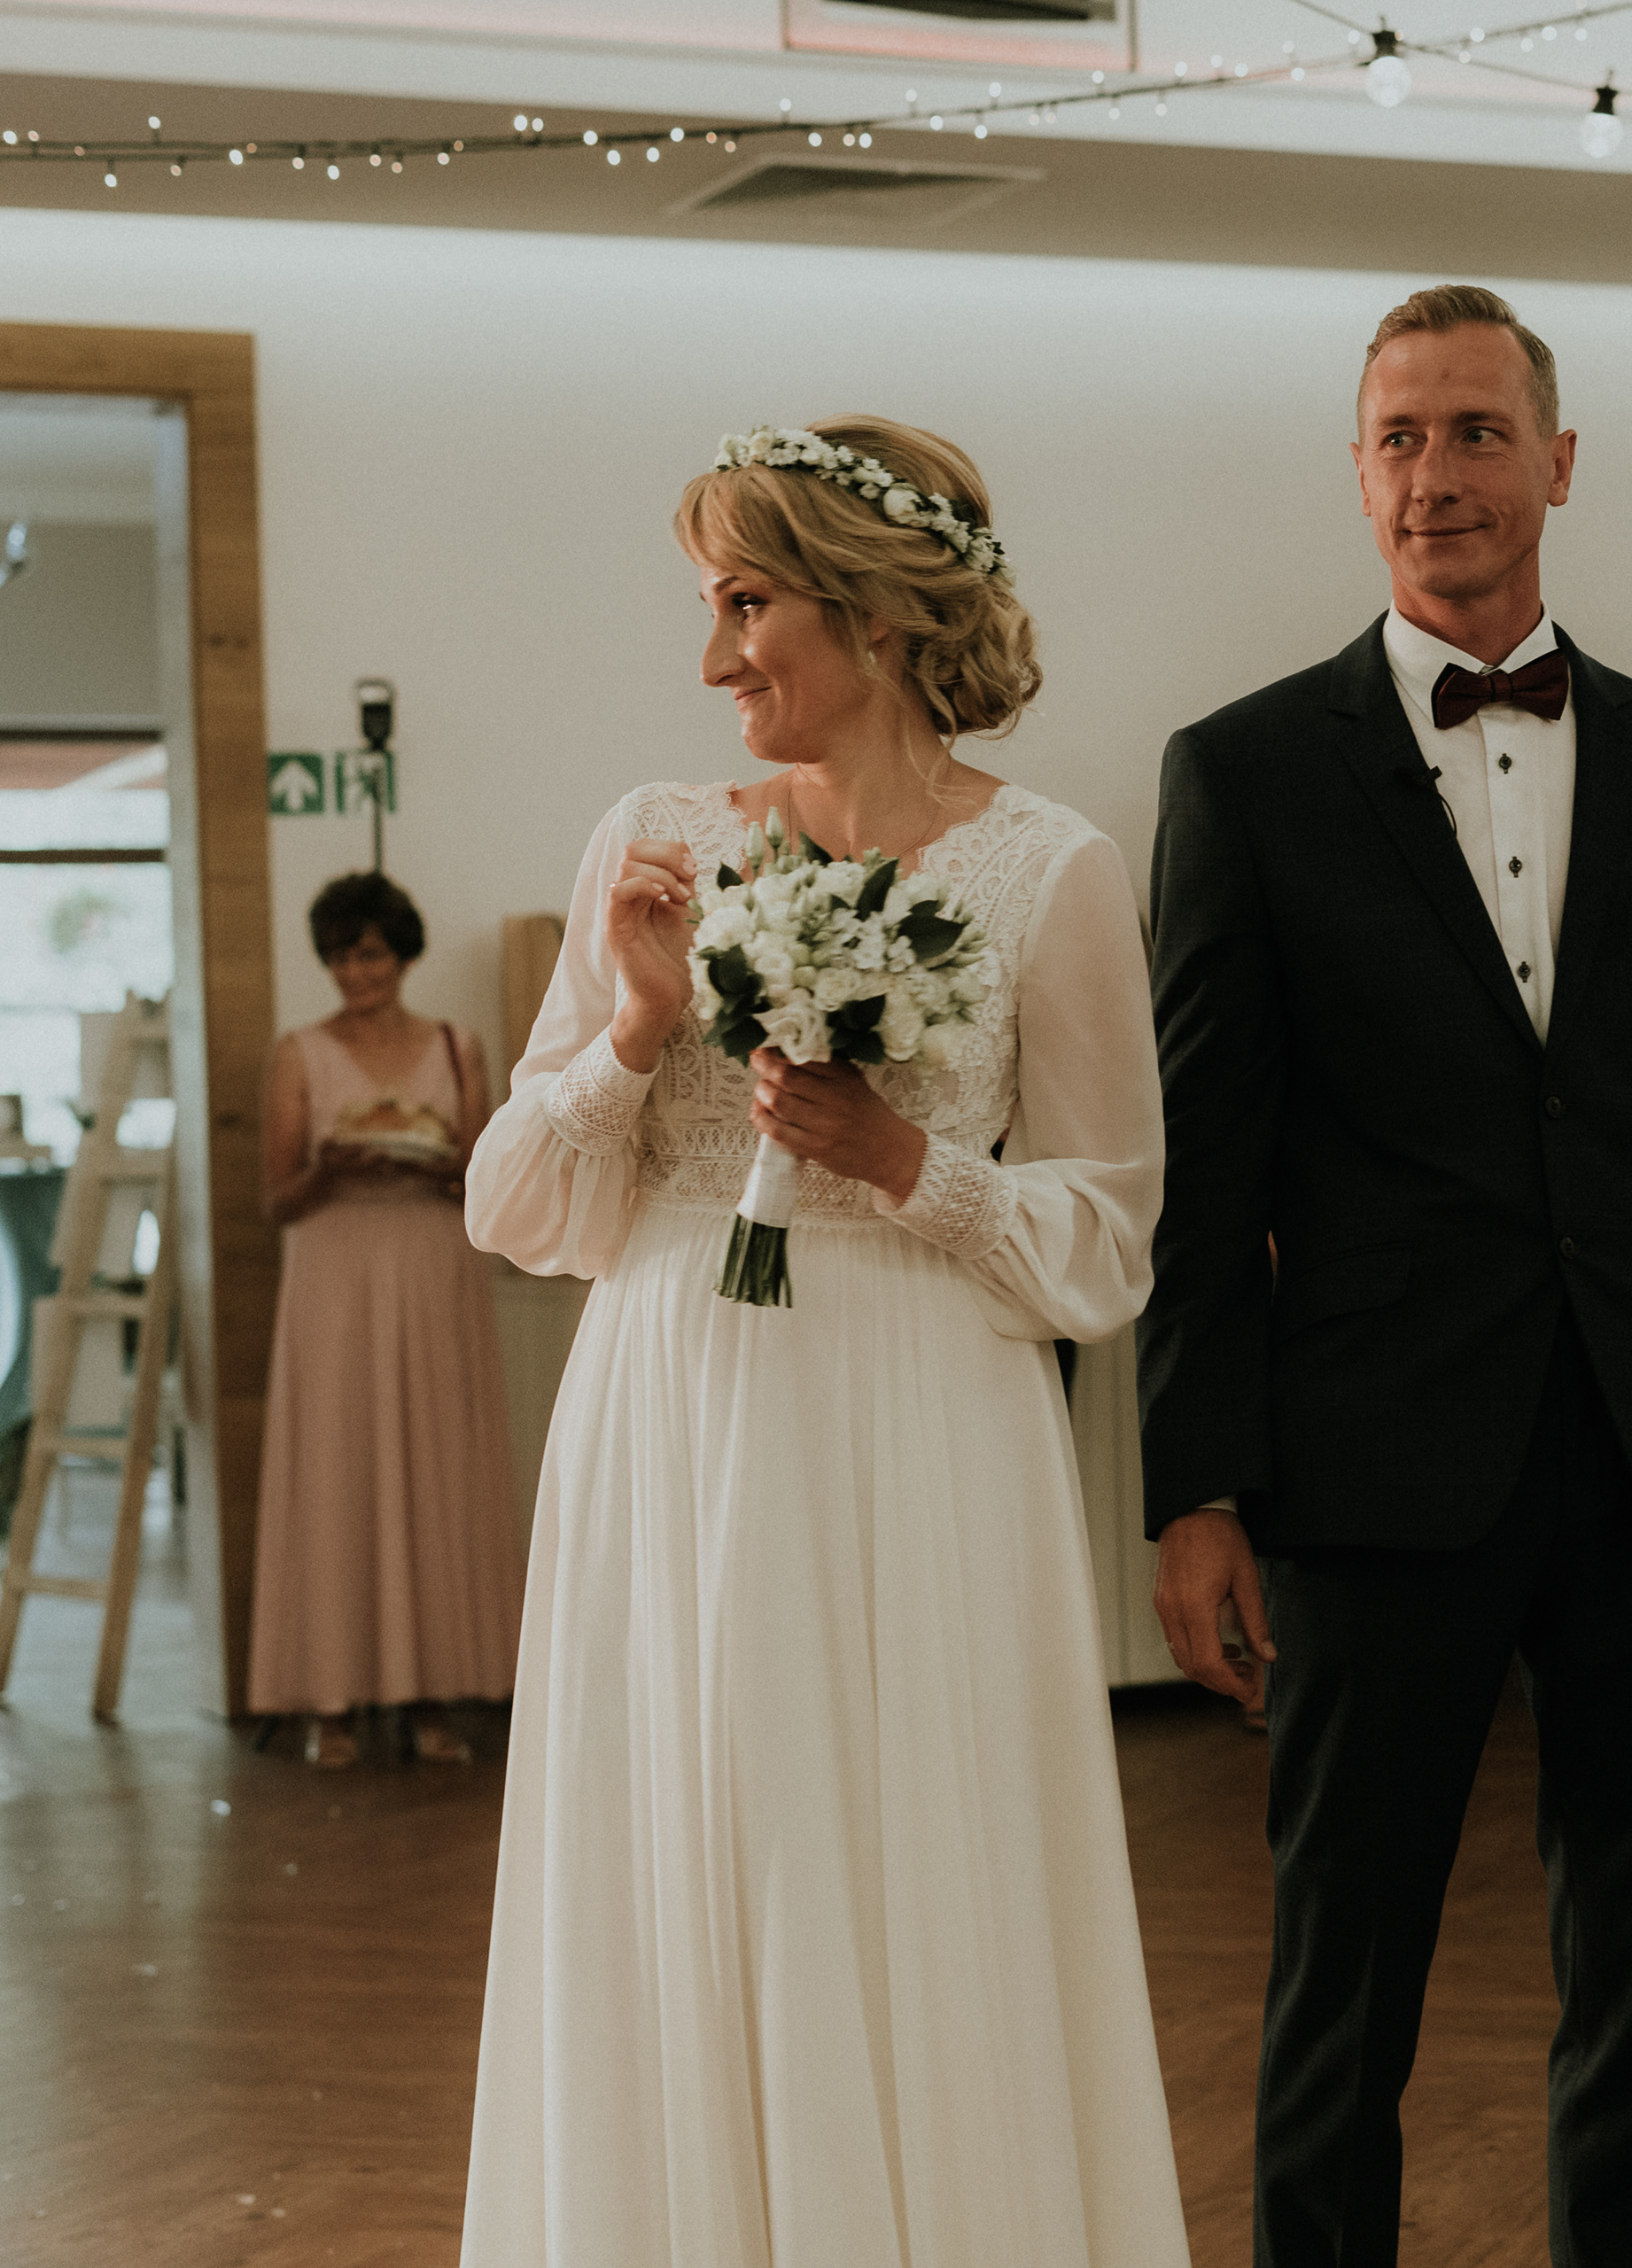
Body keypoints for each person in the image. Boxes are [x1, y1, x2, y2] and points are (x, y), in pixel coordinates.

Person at [1140, 284, 1632, 2268]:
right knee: (1341, 1974)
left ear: (1558, 460)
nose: (1434, 473)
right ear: (1356, 470)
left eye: (1474, 430)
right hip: (1376, 1457)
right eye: (1398, 436)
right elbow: (1207, 1170)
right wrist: (1196, 1482)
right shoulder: (1242, 770)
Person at [455, 417, 1187, 2256]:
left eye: (744, 604)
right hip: (669, 1407)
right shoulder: (652, 841)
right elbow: (518, 1207)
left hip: (923, 1418)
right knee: (682, 1854)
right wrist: (636, 1029)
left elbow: (1106, 1241)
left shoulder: (1054, 872)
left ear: (872, 609)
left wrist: (909, 1166)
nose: (714, 658)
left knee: (909, 1859)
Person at [248, 871, 521, 1768]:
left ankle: (432, 1694)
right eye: (337, 957)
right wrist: (331, 1168)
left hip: (435, 1270)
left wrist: (438, 1168)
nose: (353, 973)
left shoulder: (457, 1046)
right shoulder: (299, 1053)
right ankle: (333, 1701)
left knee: (437, 1471)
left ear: (401, 954)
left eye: (367, 954)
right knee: (336, 1472)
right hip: (334, 1275)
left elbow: (484, 1180)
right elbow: (277, 1199)